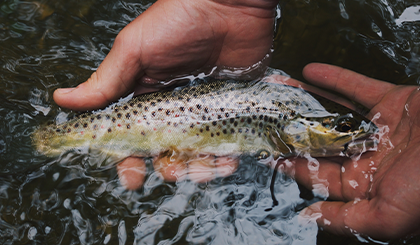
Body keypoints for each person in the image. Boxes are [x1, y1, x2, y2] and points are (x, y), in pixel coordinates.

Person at [52, 0, 420, 241]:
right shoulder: (284, 121)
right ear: (288, 130)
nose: (353, 134)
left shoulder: (285, 119)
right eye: (341, 129)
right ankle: (53, 141)